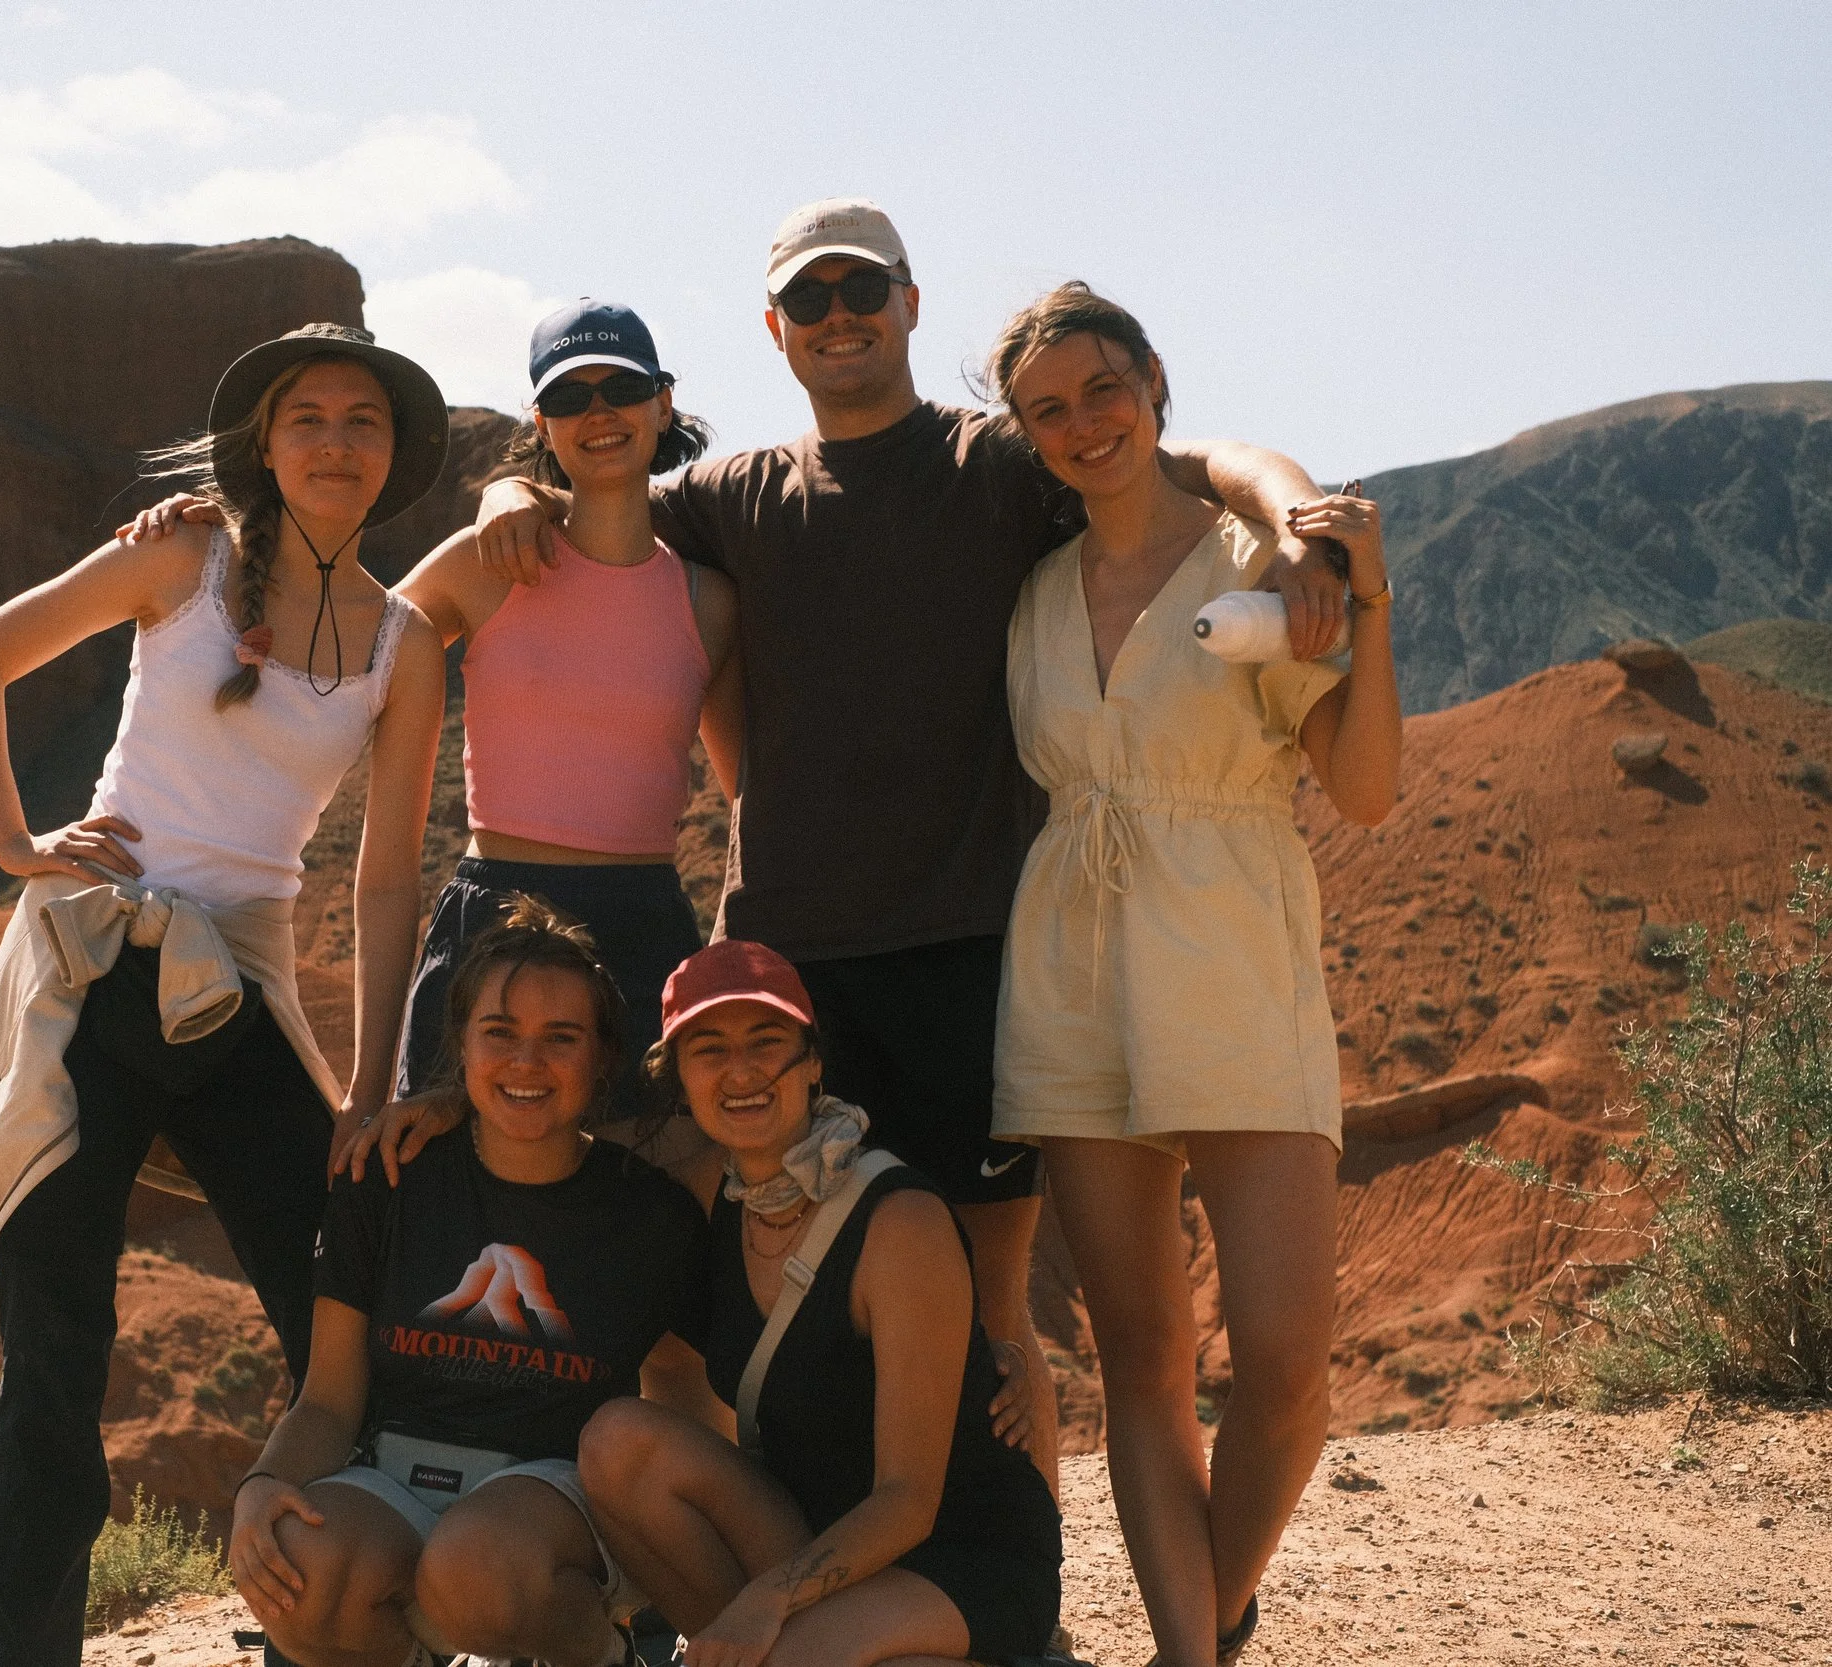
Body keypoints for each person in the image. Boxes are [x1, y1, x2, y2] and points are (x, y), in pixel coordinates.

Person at [470, 198, 1351, 1493]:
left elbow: (1191, 457)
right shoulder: (735, 496)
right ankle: (805, 1574)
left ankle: (1015, 1600)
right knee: (777, 1291)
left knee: (996, 1306)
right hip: (786, 966)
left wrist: (1297, 513)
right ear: (774, 329)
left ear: (909, 304)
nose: (839, 318)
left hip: (971, 952)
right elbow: (599, 488)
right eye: (810, 300)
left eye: (861, 293)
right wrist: (504, 481)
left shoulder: (1002, 462)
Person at [0, 322, 449, 1666]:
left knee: (339, 1308)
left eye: (364, 421)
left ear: (394, 458)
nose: (336, 440)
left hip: (243, 992)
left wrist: (372, 1082)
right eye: (309, 418)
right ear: (266, 445)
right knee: (56, 1359)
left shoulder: (404, 642)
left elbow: (384, 879)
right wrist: (14, 842)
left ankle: (329, 1623)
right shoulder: (184, 559)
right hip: (97, 970)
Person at [981, 282, 1402, 1667]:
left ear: (1155, 382)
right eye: (1049, 409)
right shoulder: (1032, 590)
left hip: (1232, 960)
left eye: (1103, 389)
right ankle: (1191, 1653)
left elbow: (1366, 789)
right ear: (1028, 435)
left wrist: (1371, 603)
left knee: (1284, 1365)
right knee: (1141, 1359)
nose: (1084, 424)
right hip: (1069, 980)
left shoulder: (1256, 562)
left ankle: (1208, 1613)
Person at [228, 900, 708, 1667]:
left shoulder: (649, 1214)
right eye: (500, 1033)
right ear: (460, 1043)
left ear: (601, 1059)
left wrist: (682, 1559)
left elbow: (685, 1391)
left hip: (556, 1504)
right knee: (305, 1566)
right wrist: (264, 1481)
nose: (527, 1061)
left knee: (475, 1563)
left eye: (561, 1038)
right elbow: (327, 1396)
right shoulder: (384, 1179)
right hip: (394, 1476)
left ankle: (603, 1657)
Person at [578, 939, 1062, 1667]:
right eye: (708, 1048)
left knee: (791, 1655)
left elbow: (909, 1497)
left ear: (812, 1061)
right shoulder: (709, 1195)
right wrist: (437, 1110)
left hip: (957, 1555)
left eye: (765, 1041)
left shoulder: (897, 1221)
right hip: (814, 1531)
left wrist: (764, 1599)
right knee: (616, 1442)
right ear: (679, 1077)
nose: (740, 1069)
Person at [391, 298, 740, 1142]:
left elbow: (748, 796)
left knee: (630, 1204)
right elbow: (334, 663)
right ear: (541, 422)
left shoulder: (710, 601)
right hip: (492, 914)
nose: (598, 412)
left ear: (661, 403)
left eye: (618, 387)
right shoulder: (484, 565)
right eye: (569, 397)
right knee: (450, 1192)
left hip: (643, 920)